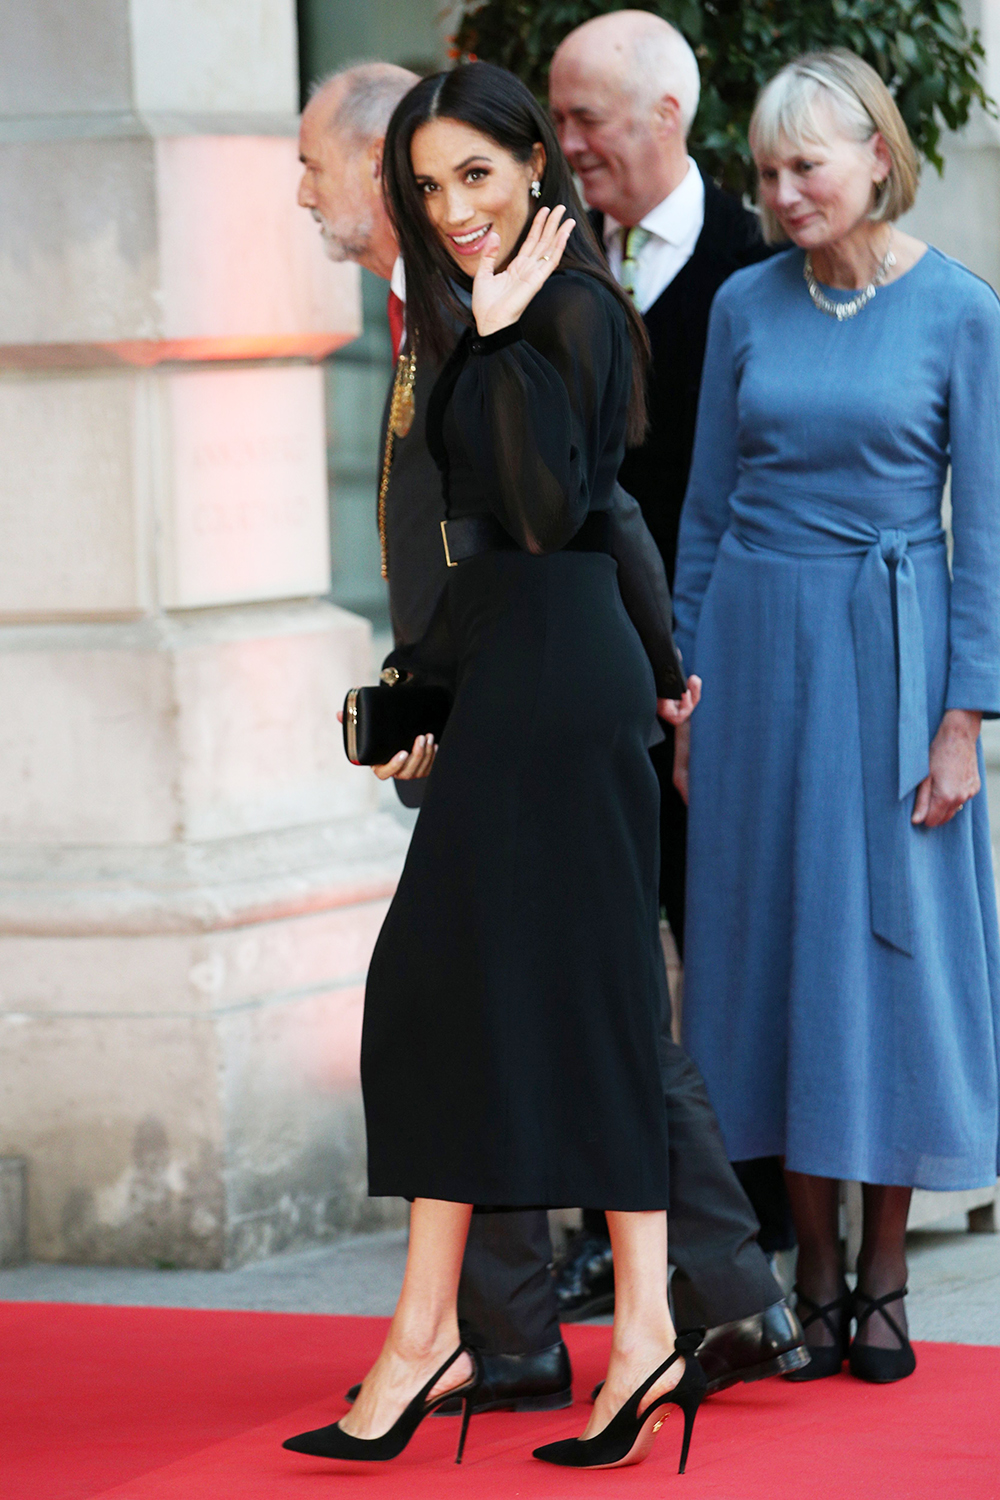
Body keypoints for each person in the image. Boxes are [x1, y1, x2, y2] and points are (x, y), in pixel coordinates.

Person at [298, 62, 806, 1408]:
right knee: (493, 1002)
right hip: (478, 686)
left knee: (579, 1005)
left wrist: (656, 660)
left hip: (530, 693)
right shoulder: (438, 308)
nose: (310, 197)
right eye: (424, 184)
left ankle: (710, 1298)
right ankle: (515, 1329)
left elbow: (581, 511)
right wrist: (424, 686)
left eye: (316, 168)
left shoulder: (537, 306)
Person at [673, 48, 1000, 1385]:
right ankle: (805, 1270)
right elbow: (699, 514)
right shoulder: (746, 307)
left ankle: (881, 1275)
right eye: (766, 171)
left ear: (877, 153)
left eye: (806, 164)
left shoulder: (961, 311)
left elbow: (982, 535)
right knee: (765, 957)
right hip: (753, 652)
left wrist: (965, 719)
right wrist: (686, 691)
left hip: (890, 652)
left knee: (886, 961)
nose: (784, 190)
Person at [548, 5, 795, 1322]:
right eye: (560, 116)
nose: (566, 142)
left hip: (724, 669)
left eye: (587, 117)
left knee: (727, 935)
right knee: (599, 945)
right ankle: (615, 1222)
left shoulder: (759, 272)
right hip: (580, 672)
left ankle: (741, 1233)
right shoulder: (544, 266)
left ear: (667, 118)